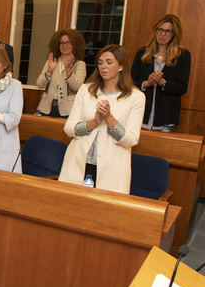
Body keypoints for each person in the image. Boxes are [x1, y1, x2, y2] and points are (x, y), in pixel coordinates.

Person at [58, 45, 145, 194]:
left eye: (109, 62)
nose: (103, 66)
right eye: (100, 62)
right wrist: (93, 123)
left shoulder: (136, 97)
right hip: (79, 162)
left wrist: (109, 118)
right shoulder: (86, 90)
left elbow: (131, 140)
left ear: (121, 66)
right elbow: (69, 128)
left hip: (112, 168)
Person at [131, 14, 191, 132]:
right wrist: (147, 83)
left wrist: (162, 83)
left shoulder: (183, 55)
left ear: (174, 35)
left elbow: (182, 87)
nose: (162, 34)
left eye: (168, 31)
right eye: (160, 30)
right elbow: (131, 82)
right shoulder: (142, 53)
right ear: (155, 31)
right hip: (140, 116)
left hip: (166, 120)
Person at [35, 29, 87, 118]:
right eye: (61, 43)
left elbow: (77, 87)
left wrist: (67, 68)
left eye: (68, 42)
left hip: (68, 111)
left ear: (74, 44)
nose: (64, 45)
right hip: (46, 108)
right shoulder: (51, 62)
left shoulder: (79, 64)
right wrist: (49, 71)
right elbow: (40, 84)